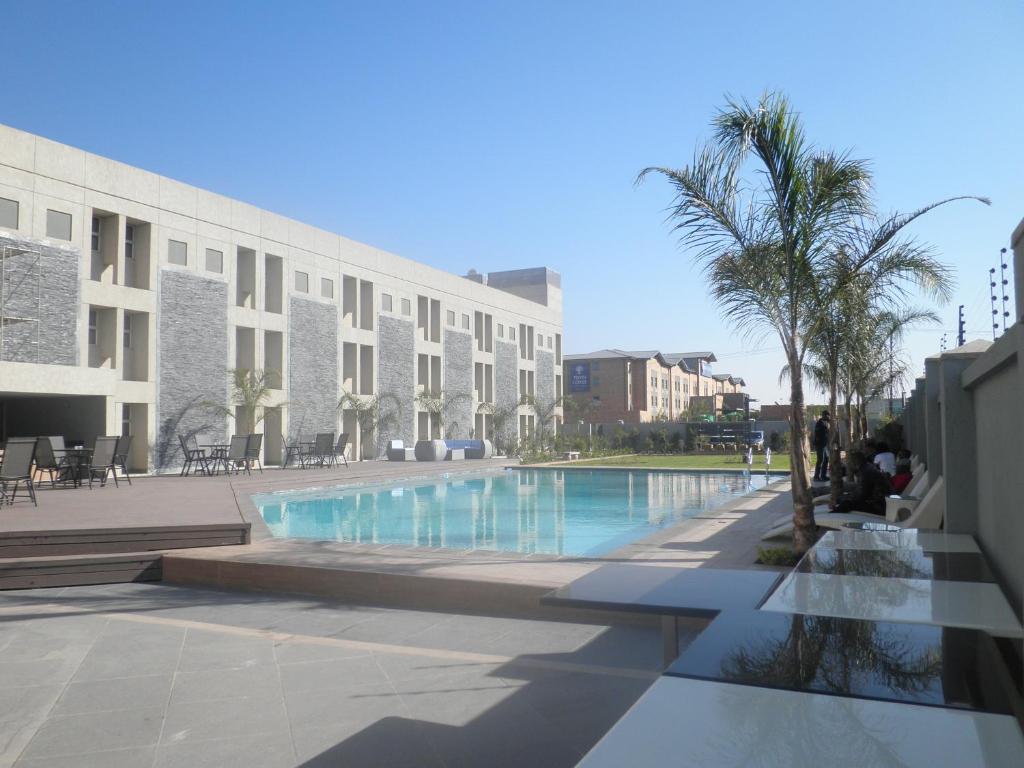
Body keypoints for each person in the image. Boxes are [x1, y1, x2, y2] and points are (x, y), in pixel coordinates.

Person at [833, 451, 889, 517]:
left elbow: (861, 496)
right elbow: (860, 491)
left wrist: (839, 500)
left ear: (854, 463)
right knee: (846, 500)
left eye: (849, 463)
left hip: (878, 506)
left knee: (847, 504)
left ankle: (832, 517)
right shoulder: (867, 467)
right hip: (881, 503)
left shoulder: (865, 472)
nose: (848, 465)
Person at [812, 411, 830, 481]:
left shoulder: (824, 423)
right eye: (828, 416)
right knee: (820, 460)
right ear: (824, 415)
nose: (829, 417)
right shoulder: (819, 423)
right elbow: (821, 433)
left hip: (824, 445)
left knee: (826, 459)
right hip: (819, 445)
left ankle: (823, 475)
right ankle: (816, 477)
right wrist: (827, 427)